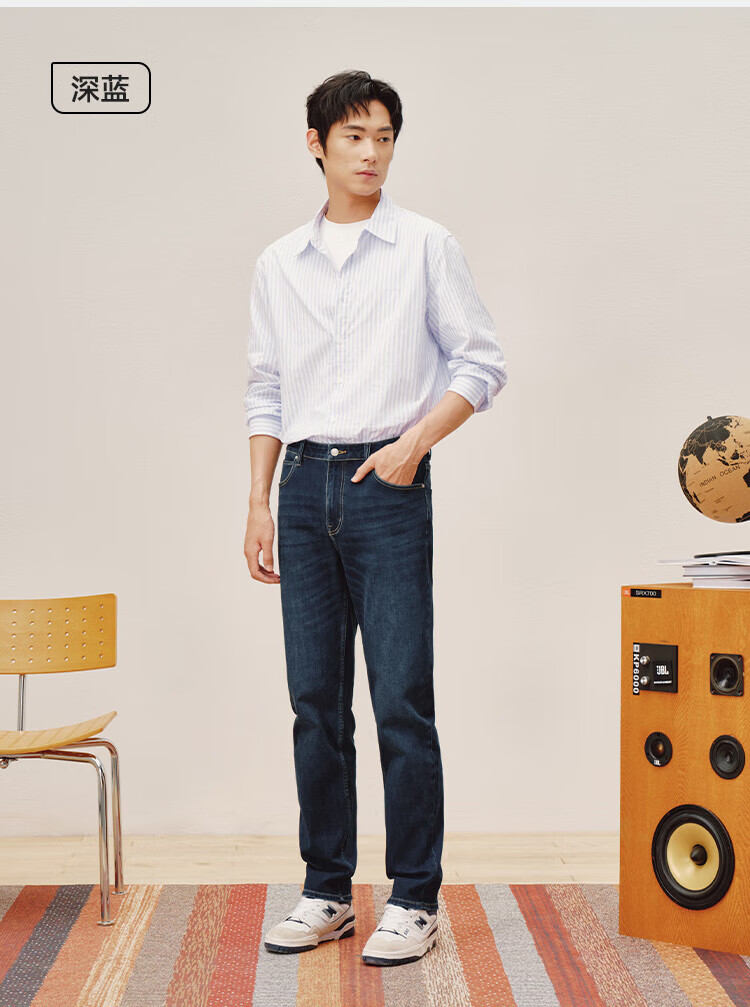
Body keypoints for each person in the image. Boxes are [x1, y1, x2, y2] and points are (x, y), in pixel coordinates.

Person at [243, 69, 507, 967]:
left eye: (384, 137)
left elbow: (481, 362)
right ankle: (326, 889)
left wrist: (414, 443)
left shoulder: (425, 245)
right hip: (300, 484)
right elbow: (266, 386)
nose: (371, 152)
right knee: (315, 703)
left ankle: (414, 897)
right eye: (353, 136)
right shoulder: (280, 263)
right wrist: (258, 499)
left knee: (400, 698)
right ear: (316, 145)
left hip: (387, 490)